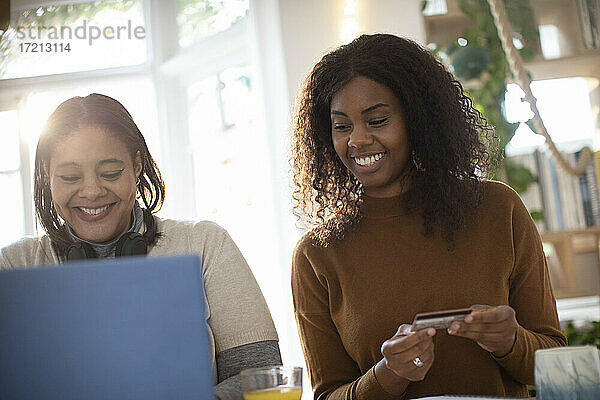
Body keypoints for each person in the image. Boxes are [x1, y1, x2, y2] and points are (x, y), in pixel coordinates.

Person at [290, 34, 566, 399]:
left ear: (418, 119)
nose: (356, 140)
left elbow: (559, 366)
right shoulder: (317, 254)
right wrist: (388, 375)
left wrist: (511, 341)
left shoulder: (499, 210)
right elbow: (328, 395)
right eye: (342, 126)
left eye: (377, 120)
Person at [0, 93, 281, 400]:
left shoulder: (204, 245)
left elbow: (264, 376)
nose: (92, 191)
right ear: (45, 174)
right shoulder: (13, 267)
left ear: (136, 166)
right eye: (70, 176)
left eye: (110, 173)